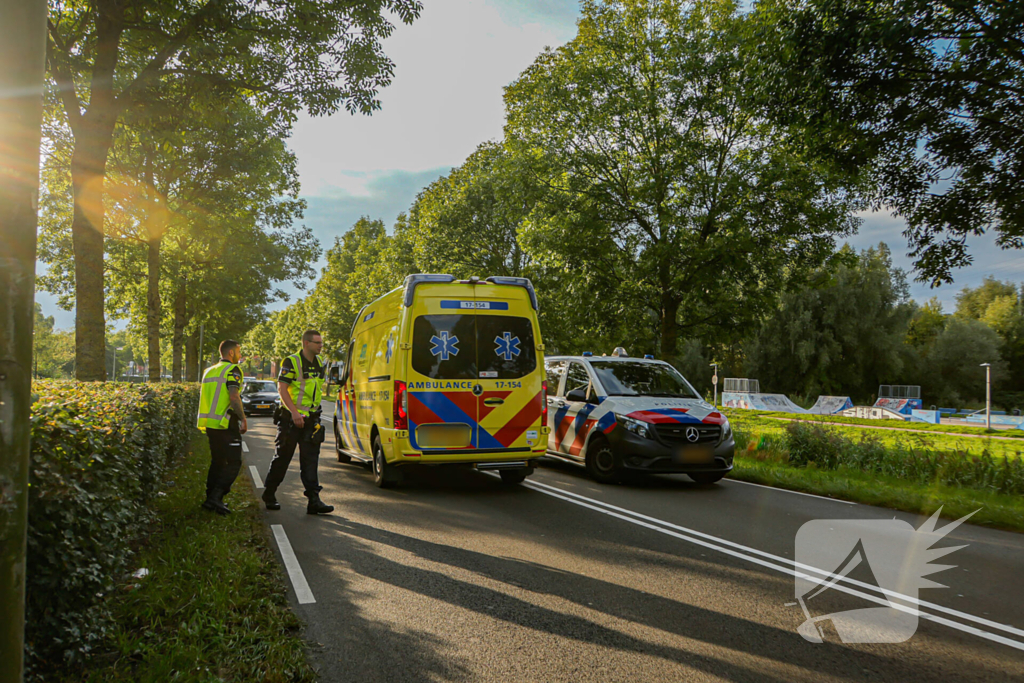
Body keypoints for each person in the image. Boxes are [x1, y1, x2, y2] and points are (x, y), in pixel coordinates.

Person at [262, 329, 334, 514]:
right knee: (282, 459)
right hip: (290, 420)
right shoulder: (291, 361)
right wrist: (294, 413)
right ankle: (269, 494)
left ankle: (313, 500)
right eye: (317, 343)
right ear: (306, 343)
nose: (321, 346)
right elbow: (282, 388)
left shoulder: (320, 362)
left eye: (321, 342)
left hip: (311, 420)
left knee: (310, 460)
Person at [195, 340, 247, 515]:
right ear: (231, 353)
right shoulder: (232, 370)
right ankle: (216, 497)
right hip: (226, 424)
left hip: (211, 424)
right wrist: (243, 418)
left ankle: (210, 499)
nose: (240, 356)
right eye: (239, 352)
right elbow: (234, 396)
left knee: (217, 461)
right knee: (234, 462)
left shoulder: (209, 371)